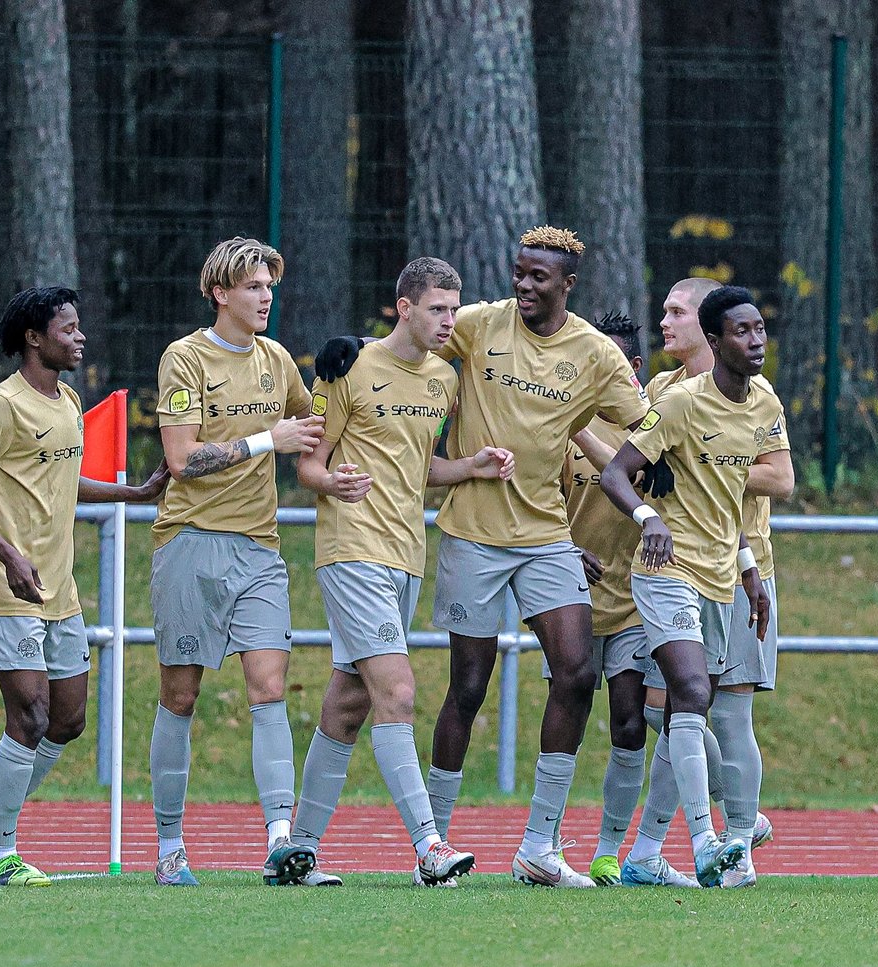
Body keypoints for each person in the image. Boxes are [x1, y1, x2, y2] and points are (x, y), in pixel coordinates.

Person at [321, 225, 648, 889]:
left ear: (567, 285)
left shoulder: (594, 352)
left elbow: (641, 420)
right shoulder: (480, 324)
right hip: (472, 531)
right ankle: (435, 844)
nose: (523, 285)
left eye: (538, 277)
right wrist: (351, 349)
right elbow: (412, 337)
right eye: (518, 272)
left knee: (577, 671)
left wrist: (667, 464)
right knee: (468, 686)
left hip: (547, 534)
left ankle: (539, 846)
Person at [288, 257, 514, 887]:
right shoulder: (349, 366)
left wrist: (471, 467)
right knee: (399, 692)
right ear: (404, 308)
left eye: (455, 309)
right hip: (352, 549)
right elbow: (309, 465)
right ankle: (429, 848)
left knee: (350, 702)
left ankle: (297, 853)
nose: (449, 321)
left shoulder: (444, 378)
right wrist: (331, 482)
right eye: (438, 309)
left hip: (406, 555)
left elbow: (422, 467)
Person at [0, 286, 170, 887]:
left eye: (78, 326)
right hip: (6, 590)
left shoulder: (68, 400)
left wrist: (133, 494)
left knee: (67, 721)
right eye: (68, 329)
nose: (80, 337)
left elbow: (65, 483)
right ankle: (2, 855)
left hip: (59, 591)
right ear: (34, 339)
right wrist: (7, 556)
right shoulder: (0, 407)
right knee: (31, 714)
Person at [149, 237, 326, 887]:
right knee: (180, 695)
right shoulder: (185, 358)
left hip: (259, 550)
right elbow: (181, 460)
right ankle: (170, 847)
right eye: (254, 286)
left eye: (270, 286)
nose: (266, 297)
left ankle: (281, 840)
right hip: (190, 541)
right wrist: (265, 440)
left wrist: (352, 387)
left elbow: (317, 423)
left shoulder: (277, 359)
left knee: (269, 688)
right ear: (220, 293)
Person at [599, 284, 782, 888]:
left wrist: (750, 571)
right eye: (741, 331)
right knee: (692, 691)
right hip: (664, 570)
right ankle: (708, 839)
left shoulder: (763, 406)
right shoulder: (679, 402)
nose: (755, 340)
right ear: (716, 341)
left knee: (686, 707)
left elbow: (727, 501)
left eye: (759, 329)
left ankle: (646, 853)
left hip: (722, 576)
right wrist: (647, 518)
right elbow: (617, 473)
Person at [543, 312, 697, 889]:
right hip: (572, 597)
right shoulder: (560, 427)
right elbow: (538, 500)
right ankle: (544, 842)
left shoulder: (651, 430)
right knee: (568, 716)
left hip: (633, 599)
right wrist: (563, 548)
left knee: (631, 722)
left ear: (629, 369)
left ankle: (610, 853)